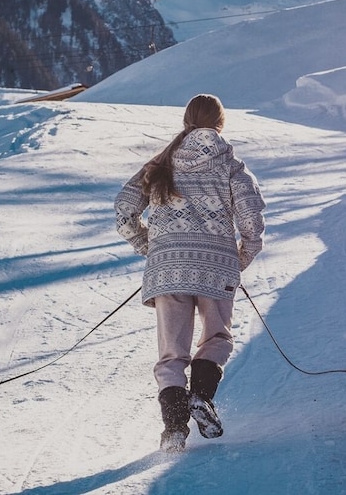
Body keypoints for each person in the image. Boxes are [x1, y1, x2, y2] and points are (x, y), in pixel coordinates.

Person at [114, 94, 266, 452]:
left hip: (168, 270)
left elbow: (123, 210)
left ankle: (174, 431)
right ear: (220, 123)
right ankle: (201, 397)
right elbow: (251, 221)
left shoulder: (160, 163)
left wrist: (150, 247)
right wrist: (239, 259)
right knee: (217, 337)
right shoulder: (231, 164)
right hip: (217, 267)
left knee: (171, 352)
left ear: (186, 121)